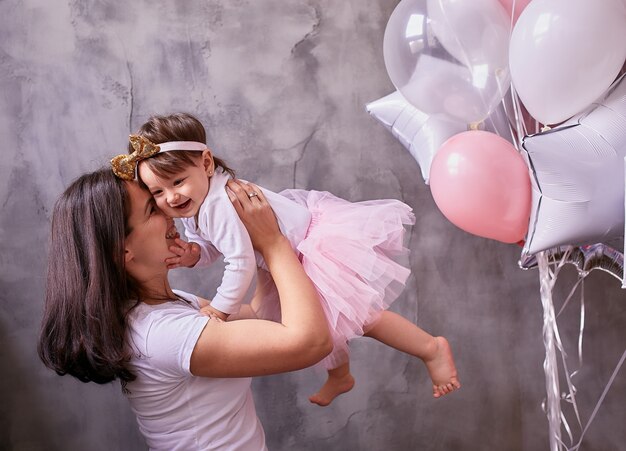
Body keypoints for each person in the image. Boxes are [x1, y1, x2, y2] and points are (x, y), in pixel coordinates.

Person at [126, 112, 461, 406]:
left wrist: (220, 308)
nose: (170, 196)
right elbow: (220, 246)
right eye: (157, 192)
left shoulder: (217, 205)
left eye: (177, 182)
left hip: (306, 250)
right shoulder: (198, 202)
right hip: (286, 257)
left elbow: (239, 261)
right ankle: (341, 377)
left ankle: (430, 347)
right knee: (329, 322)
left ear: (207, 164)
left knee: (363, 318)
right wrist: (194, 254)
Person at [38, 168, 333, 450]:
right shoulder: (162, 333)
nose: (168, 209)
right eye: (152, 210)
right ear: (122, 251)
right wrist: (273, 243)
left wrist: (258, 244)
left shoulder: (169, 304)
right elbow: (311, 342)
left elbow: (259, 316)